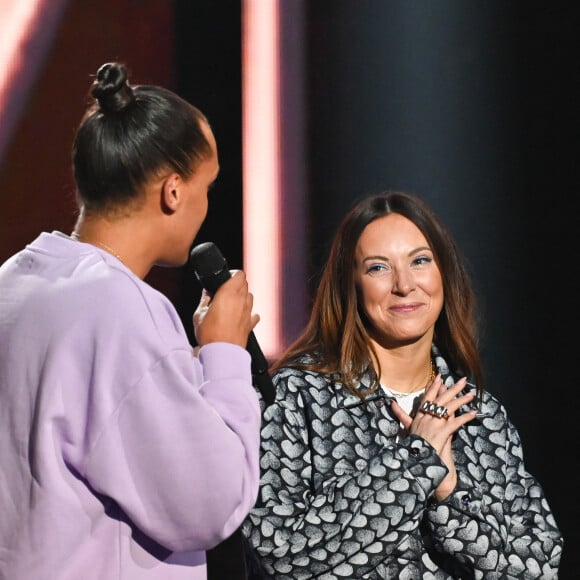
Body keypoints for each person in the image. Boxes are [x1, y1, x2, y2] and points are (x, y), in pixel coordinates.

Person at [0, 62, 262, 579]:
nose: (206, 206)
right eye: (207, 187)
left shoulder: (14, 281)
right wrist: (226, 354)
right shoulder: (120, 308)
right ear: (173, 191)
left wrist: (184, 373)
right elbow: (209, 502)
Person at [242, 191, 563, 578]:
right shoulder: (298, 396)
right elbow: (279, 554)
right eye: (378, 268)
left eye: (420, 261)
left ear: (444, 272)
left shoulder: (482, 416)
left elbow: (540, 568)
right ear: (351, 285)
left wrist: (449, 494)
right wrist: (418, 457)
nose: (404, 285)